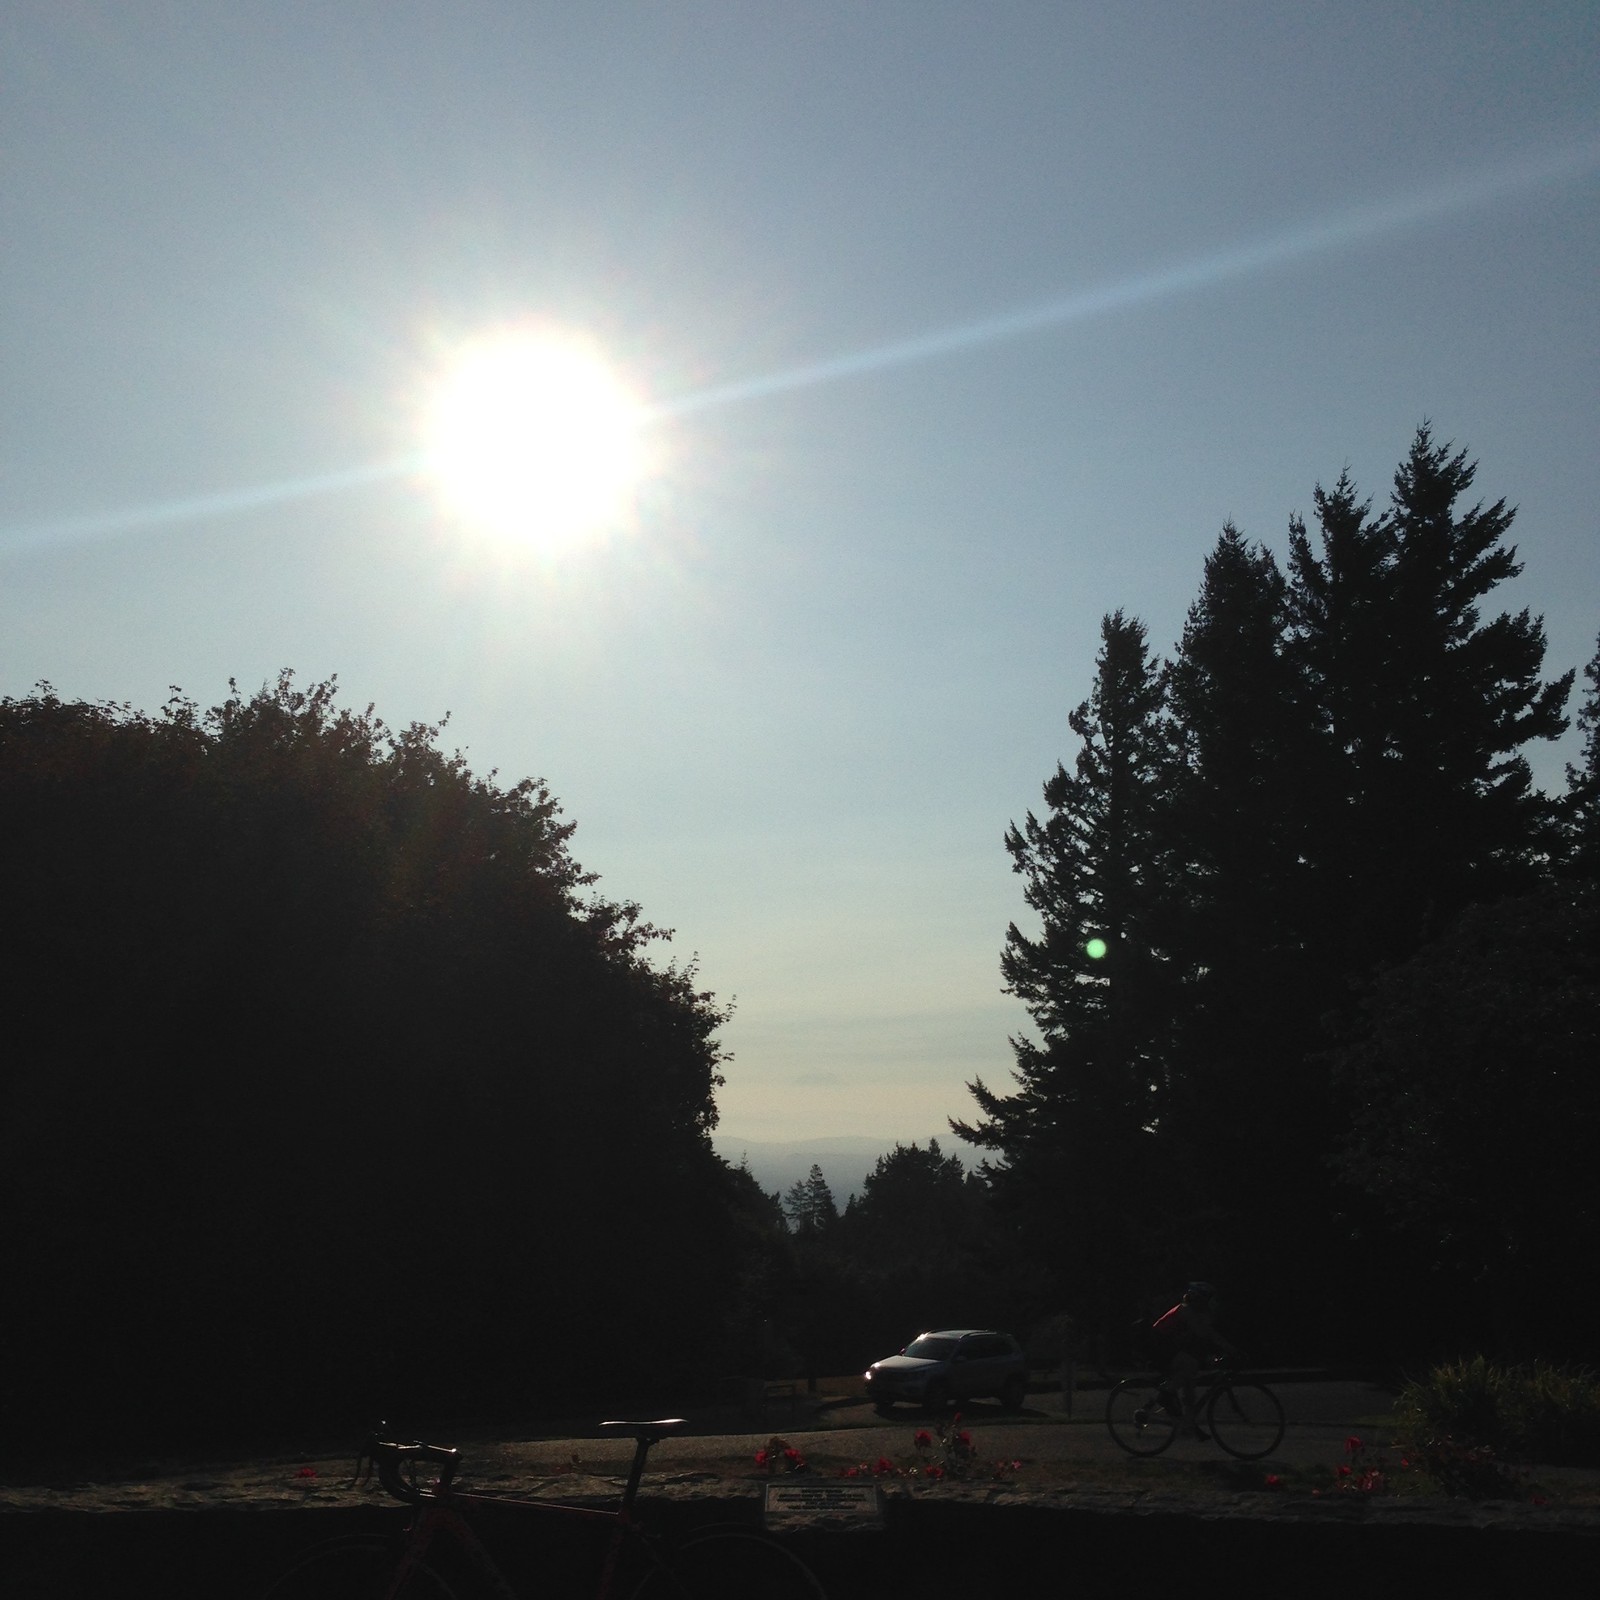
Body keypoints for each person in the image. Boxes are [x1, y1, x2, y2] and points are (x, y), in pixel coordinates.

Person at [1150, 1281, 1234, 1439]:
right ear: (1200, 1299)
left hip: (1170, 1347)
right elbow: (1206, 1333)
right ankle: (1167, 1394)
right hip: (1158, 1348)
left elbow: (1204, 1337)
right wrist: (1230, 1349)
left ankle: (1188, 1425)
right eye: (1209, 1299)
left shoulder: (1195, 1312)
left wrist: (1223, 1349)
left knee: (1190, 1387)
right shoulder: (1185, 1310)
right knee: (1189, 1365)